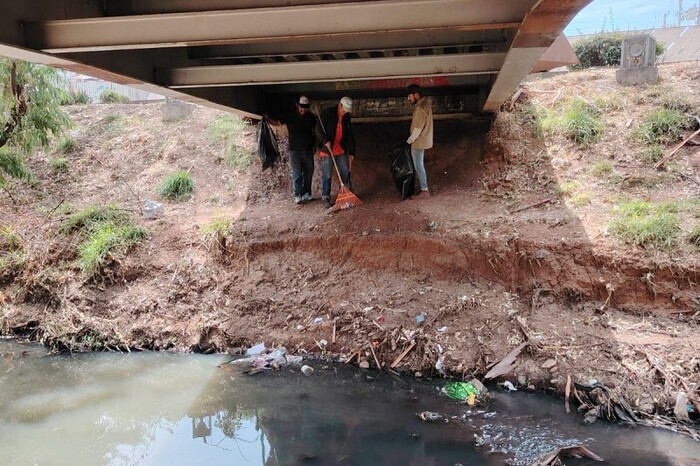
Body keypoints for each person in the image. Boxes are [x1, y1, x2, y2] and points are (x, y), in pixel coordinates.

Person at [270, 96, 318, 204]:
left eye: (306, 108)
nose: (303, 109)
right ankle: (298, 195)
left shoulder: (311, 117)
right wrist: (267, 119)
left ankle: (307, 194)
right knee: (297, 173)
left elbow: (314, 132)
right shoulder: (290, 116)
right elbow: (278, 123)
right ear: (297, 105)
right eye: (302, 107)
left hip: (308, 150)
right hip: (295, 151)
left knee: (309, 172)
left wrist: (314, 145)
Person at [315, 96, 355, 209]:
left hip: (340, 149)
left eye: (347, 111)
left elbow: (349, 135)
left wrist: (352, 151)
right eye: (344, 110)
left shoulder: (346, 118)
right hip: (328, 150)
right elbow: (318, 129)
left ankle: (345, 196)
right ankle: (326, 198)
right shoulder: (327, 113)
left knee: (344, 171)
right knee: (327, 174)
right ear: (339, 105)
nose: (345, 112)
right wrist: (325, 141)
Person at [406, 84, 434, 197]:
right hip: (422, 140)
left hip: (418, 142)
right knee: (419, 164)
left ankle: (424, 190)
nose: (408, 99)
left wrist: (409, 141)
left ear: (416, 95)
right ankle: (423, 188)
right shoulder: (425, 105)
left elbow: (417, 129)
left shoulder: (420, 109)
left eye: (409, 96)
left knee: (418, 165)